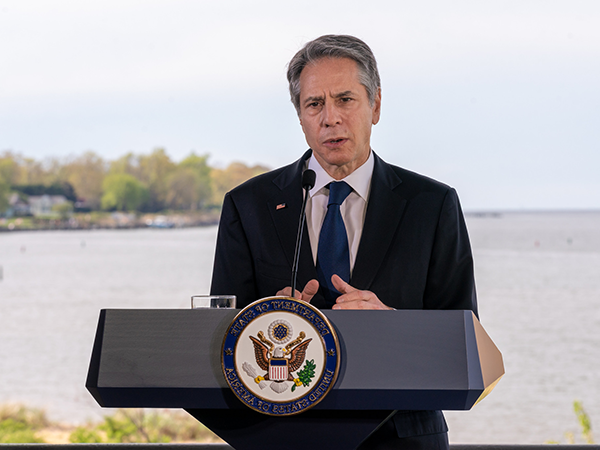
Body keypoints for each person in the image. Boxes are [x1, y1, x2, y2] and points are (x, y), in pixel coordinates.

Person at [211, 34, 477, 450]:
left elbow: (464, 344)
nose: (329, 118)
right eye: (314, 104)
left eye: (345, 100)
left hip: (403, 437)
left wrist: (393, 324)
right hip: (281, 435)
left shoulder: (432, 203)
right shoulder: (248, 204)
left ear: (375, 105)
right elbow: (222, 336)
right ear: (299, 116)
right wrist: (265, 320)